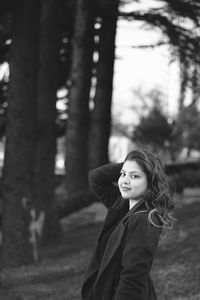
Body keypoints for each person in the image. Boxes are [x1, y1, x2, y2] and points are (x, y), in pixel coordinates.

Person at [81, 148, 175, 300]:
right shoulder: (122, 205)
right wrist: (133, 163)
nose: (125, 181)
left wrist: (148, 165)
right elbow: (96, 178)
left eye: (135, 176)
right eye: (123, 174)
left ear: (151, 181)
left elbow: (132, 279)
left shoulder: (144, 221)